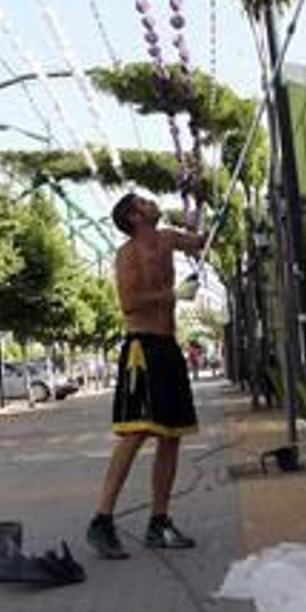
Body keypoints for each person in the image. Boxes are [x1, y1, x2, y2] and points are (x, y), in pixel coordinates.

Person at [86, 192, 205, 560]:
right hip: (142, 348)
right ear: (134, 216)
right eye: (144, 201)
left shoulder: (167, 238)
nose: (153, 202)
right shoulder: (127, 254)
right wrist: (173, 293)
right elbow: (129, 303)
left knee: (171, 437)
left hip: (169, 347)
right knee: (137, 433)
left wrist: (198, 207)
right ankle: (102, 521)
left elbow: (199, 243)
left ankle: (159, 522)